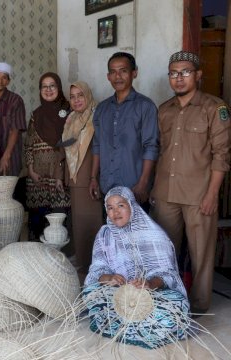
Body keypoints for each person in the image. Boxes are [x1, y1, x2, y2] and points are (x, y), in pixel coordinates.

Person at [151, 51, 231, 314]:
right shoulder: (164, 110)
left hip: (199, 195)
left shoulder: (214, 107)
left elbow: (222, 155)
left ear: (198, 75)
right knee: (165, 253)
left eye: (185, 72)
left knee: (201, 255)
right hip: (166, 193)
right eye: (173, 73)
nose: (179, 78)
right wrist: (154, 189)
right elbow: (160, 151)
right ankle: (168, 302)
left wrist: (212, 194)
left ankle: (198, 306)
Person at [83, 186, 189, 349]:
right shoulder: (105, 235)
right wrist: (109, 278)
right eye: (110, 208)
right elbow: (97, 270)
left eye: (121, 205)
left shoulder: (155, 235)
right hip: (118, 294)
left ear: (132, 206)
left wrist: (149, 284)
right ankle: (143, 328)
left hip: (153, 296)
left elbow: (169, 274)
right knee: (91, 294)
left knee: (178, 305)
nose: (115, 212)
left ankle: (123, 325)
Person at [89, 52, 159, 208]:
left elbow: (151, 147)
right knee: (111, 231)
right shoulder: (102, 109)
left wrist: (143, 183)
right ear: (108, 76)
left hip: (135, 188)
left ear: (134, 73)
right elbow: (97, 145)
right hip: (107, 186)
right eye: (113, 72)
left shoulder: (145, 106)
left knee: (136, 231)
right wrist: (93, 178)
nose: (117, 76)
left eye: (123, 70)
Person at [60, 81, 103, 280]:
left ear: (88, 95)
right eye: (73, 96)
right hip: (75, 178)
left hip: (90, 178)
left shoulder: (97, 116)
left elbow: (99, 150)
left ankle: (95, 268)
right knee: (79, 224)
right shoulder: (71, 120)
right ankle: (85, 265)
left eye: (80, 95)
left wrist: (94, 177)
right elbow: (65, 150)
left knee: (92, 222)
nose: (76, 100)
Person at [24, 72, 70, 241]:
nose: (48, 89)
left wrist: (61, 174)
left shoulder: (69, 112)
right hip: (37, 179)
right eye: (44, 86)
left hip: (59, 177)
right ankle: (37, 261)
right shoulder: (35, 115)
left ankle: (59, 260)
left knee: (58, 227)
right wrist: (30, 170)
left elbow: (70, 146)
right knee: (37, 224)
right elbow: (28, 144)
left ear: (59, 87)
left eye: (52, 86)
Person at [0, 62, 27, 181]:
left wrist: (6, 156)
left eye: (4, 77)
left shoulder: (15, 100)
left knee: (8, 194)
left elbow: (15, 129)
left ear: (8, 81)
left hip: (10, 156)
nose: (0, 81)